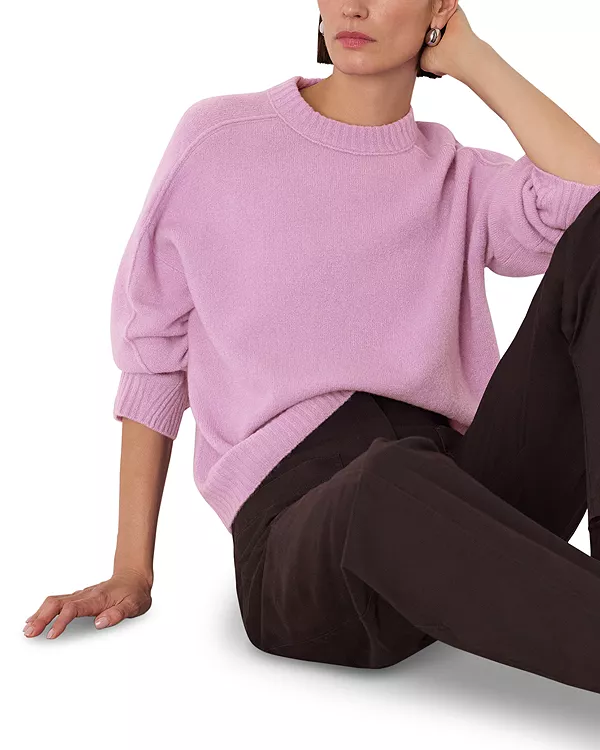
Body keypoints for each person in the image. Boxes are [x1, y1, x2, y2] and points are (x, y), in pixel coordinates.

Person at [23, 0, 600, 693]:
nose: (353, 5)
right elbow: (154, 352)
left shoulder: (460, 175)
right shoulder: (220, 139)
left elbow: (587, 197)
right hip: (305, 538)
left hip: (459, 502)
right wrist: (131, 569)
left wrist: (470, 57)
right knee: (388, 482)